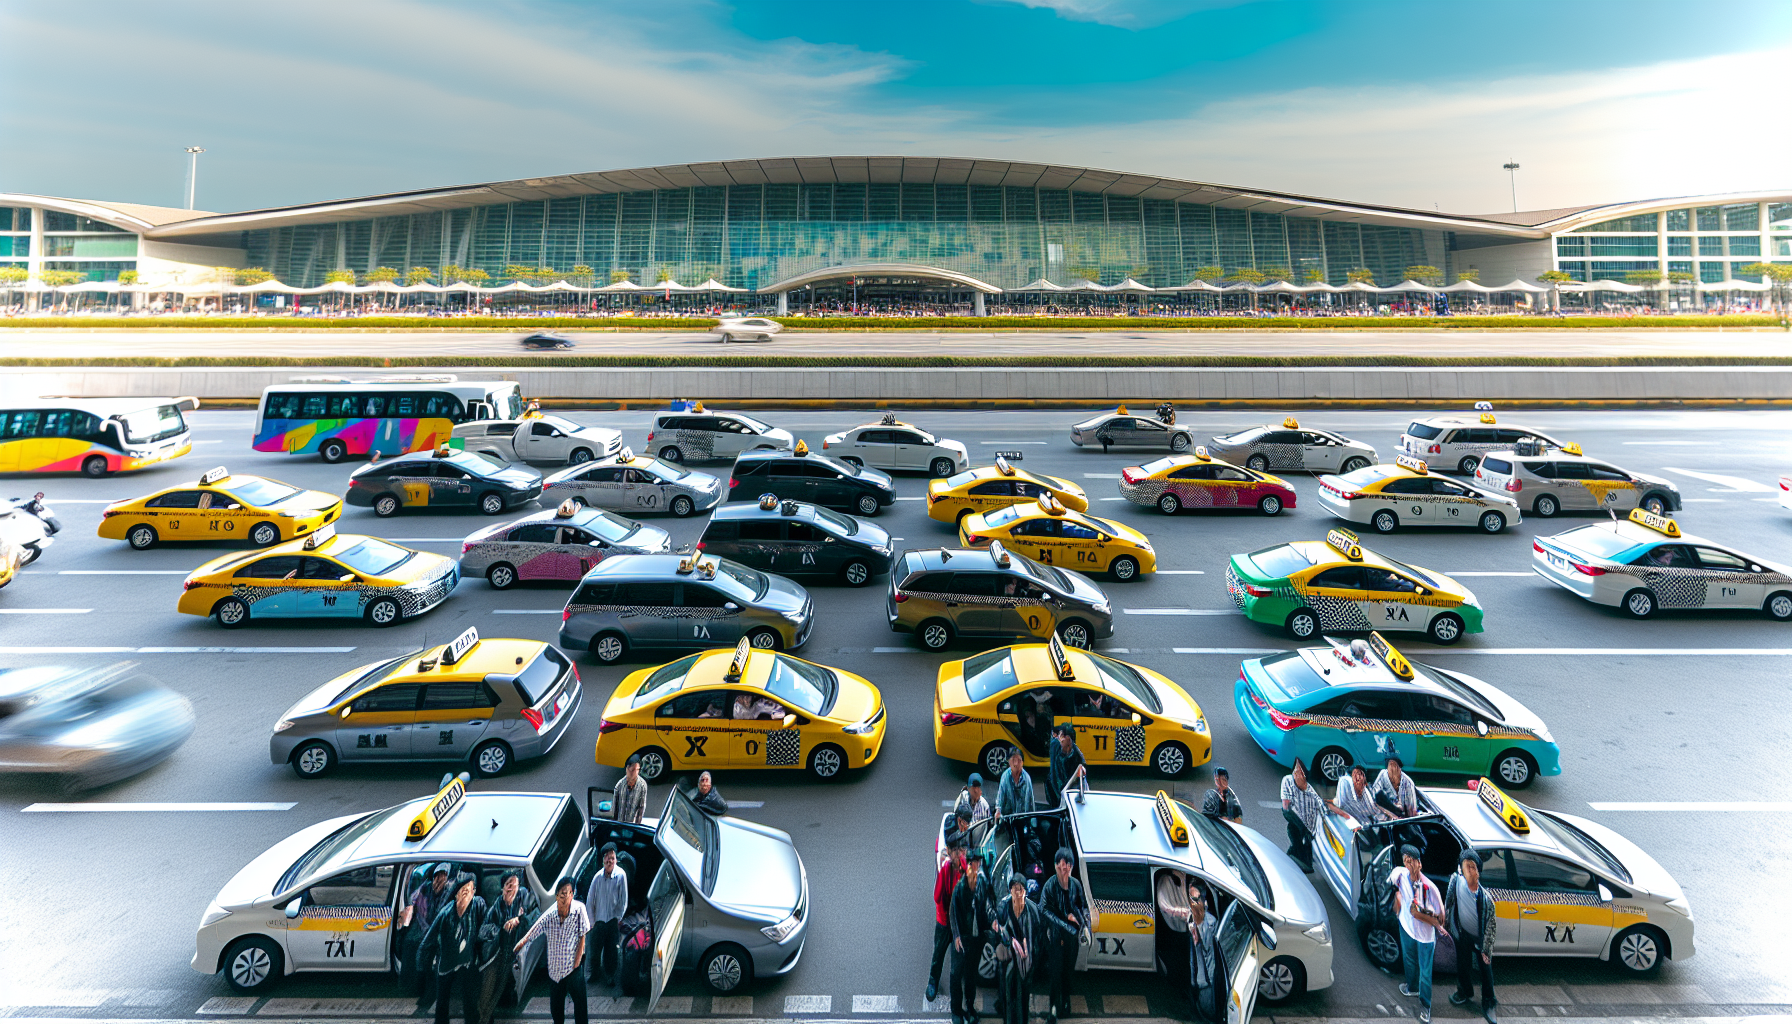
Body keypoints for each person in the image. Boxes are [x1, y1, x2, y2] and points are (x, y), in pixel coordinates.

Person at [994, 872, 1076, 1024]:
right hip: (1009, 963)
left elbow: (1041, 934)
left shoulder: (1034, 910)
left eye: (1020, 889)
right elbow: (998, 930)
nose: (1017, 892)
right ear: (1010, 890)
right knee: (1008, 997)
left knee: (1023, 998)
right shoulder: (1003, 907)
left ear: (1025, 891)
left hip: (1027, 962)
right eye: (1014, 888)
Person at [515, 878, 592, 1024]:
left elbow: (583, 935)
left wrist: (577, 961)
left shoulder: (579, 909)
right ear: (557, 896)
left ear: (573, 894)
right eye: (561, 894)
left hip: (574, 968)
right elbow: (534, 930)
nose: (564, 898)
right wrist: (521, 943)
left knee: (580, 1007)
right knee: (556, 1011)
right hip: (555, 971)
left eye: (568, 894)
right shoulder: (550, 915)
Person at [420, 872, 489, 1024]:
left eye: (468, 889)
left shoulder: (478, 905)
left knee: (470, 1000)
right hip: (446, 962)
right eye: (462, 889)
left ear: (474, 892)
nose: (465, 893)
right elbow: (429, 939)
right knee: (442, 1001)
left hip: (467, 961)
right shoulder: (445, 914)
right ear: (456, 894)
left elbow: (486, 927)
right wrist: (423, 965)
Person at [1389, 845, 1445, 1024]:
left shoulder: (1430, 888)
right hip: (1406, 927)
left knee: (1425, 973)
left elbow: (1441, 918)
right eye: (1406, 861)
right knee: (1409, 959)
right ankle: (1412, 987)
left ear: (1419, 863)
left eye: (1412, 861)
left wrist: (1426, 914)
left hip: (1425, 937)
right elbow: (1391, 885)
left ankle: (1425, 1006)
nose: (1409, 865)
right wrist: (1398, 900)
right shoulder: (1400, 874)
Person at [478, 870, 539, 1024]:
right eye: (508, 885)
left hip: (512, 954)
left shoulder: (522, 903)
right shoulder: (496, 907)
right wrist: (500, 928)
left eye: (515, 885)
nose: (512, 888)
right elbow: (483, 931)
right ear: (502, 888)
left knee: (499, 987)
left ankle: (485, 1018)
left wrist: (519, 920)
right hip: (495, 954)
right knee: (487, 988)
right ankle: (484, 1017)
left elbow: (534, 922)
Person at [1446, 850, 1498, 1024]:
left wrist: (1486, 950)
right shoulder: (1456, 881)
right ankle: (1464, 992)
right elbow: (1450, 903)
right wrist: (1447, 925)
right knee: (1462, 965)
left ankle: (1489, 1002)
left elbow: (1490, 928)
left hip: (1480, 939)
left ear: (1478, 871)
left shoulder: (1486, 900)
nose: (1468, 870)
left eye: (1472, 867)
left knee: (1486, 972)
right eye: (1465, 866)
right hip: (1463, 933)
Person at [1037, 849, 1088, 1022]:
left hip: (1071, 938)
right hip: (1055, 936)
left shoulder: (1075, 885)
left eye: (1066, 868)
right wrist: (1065, 919)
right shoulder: (1050, 885)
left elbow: (1083, 907)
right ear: (1055, 866)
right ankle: (1053, 1008)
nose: (1063, 871)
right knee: (1055, 973)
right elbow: (1042, 908)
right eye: (1060, 868)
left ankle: (1066, 1001)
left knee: (1068, 971)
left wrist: (1084, 922)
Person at [950, 848, 997, 1024]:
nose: (975, 866)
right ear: (967, 865)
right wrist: (956, 935)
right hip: (962, 938)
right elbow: (953, 912)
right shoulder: (961, 887)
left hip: (977, 938)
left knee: (970, 975)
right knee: (956, 974)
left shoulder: (983, 883)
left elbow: (989, 903)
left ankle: (969, 1008)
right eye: (972, 863)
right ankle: (956, 1010)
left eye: (977, 862)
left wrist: (992, 921)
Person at [401, 864, 455, 1010]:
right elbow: (414, 902)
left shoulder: (448, 891)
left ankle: (428, 996)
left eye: (442, 877)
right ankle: (416, 987)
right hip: (425, 928)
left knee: (434, 961)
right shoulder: (425, 888)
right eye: (437, 876)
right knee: (413, 948)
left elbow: (441, 915)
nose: (439, 880)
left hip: (438, 932)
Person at [928, 840, 968, 1003]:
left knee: (957, 957)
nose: (958, 855)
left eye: (960, 851)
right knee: (939, 952)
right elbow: (937, 896)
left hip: (958, 922)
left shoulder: (966, 868)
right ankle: (933, 981)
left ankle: (957, 992)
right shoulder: (946, 869)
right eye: (955, 851)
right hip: (945, 921)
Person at [584, 844, 627, 987]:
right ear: (603, 861)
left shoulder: (620, 876)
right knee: (594, 951)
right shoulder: (597, 878)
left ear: (616, 860)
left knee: (611, 952)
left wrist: (619, 918)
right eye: (607, 859)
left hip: (613, 921)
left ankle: (610, 976)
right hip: (598, 921)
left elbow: (623, 899)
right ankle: (594, 974)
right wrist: (591, 921)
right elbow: (590, 901)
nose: (610, 862)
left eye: (613, 859)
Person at [1186, 881, 1222, 1023]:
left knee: (1206, 1014)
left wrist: (1199, 926)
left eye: (1195, 899)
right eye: (1190, 897)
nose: (1192, 902)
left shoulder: (1210, 922)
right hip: (1196, 976)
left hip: (1206, 980)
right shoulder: (1192, 917)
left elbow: (1208, 948)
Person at [1280, 758, 1323, 872]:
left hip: (1310, 825)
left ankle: (1295, 857)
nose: (1297, 774)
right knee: (1293, 828)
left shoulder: (1310, 789)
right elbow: (1286, 806)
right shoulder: (1288, 780)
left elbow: (1320, 806)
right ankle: (1293, 857)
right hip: (1297, 819)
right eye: (1296, 771)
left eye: (1300, 772)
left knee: (1296, 834)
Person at [994, 748, 1034, 830]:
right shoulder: (1005, 777)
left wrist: (1031, 821)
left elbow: (1030, 801)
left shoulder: (1026, 779)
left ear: (1022, 763)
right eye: (1013, 760)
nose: (1016, 764)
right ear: (1009, 762)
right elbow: (1000, 796)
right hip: (1008, 817)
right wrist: (998, 811)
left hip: (1021, 818)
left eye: (1019, 760)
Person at [1047, 725, 1086, 807]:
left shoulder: (1078, 758)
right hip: (1059, 794)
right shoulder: (1057, 751)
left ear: (1068, 739)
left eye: (1061, 736)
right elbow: (1054, 776)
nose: (1059, 739)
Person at [1372, 755, 1419, 820]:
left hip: (1402, 816)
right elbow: (1375, 799)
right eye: (1390, 765)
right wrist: (1391, 815)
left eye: (1395, 765)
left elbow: (1411, 808)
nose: (1392, 768)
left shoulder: (1408, 782)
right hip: (1385, 814)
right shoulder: (1382, 775)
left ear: (1400, 769)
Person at [611, 755, 648, 824]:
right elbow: (614, 806)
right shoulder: (620, 785)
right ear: (627, 769)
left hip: (632, 824)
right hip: (620, 822)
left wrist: (637, 824)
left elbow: (641, 807)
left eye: (637, 770)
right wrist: (614, 822)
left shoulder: (642, 785)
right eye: (632, 770)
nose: (635, 773)